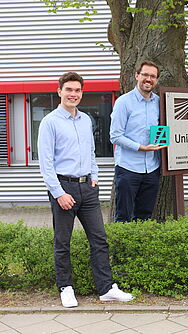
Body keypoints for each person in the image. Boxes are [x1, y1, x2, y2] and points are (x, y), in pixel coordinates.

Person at [38, 72, 134, 307]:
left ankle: (106, 288)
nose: (73, 94)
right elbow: (45, 163)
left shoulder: (85, 120)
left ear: (82, 93)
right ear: (59, 91)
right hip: (64, 189)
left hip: (87, 188)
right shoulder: (50, 122)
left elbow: (90, 151)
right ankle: (66, 288)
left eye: (77, 90)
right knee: (63, 242)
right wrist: (59, 193)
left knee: (99, 240)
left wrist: (95, 177)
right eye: (69, 90)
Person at [110, 60, 166, 222]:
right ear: (137, 76)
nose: (148, 79)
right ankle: (121, 248)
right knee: (123, 217)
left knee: (145, 217)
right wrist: (141, 147)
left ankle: (140, 247)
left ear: (156, 80)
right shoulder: (124, 102)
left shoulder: (159, 102)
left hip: (152, 168)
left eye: (153, 76)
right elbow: (115, 135)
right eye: (145, 75)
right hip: (128, 168)